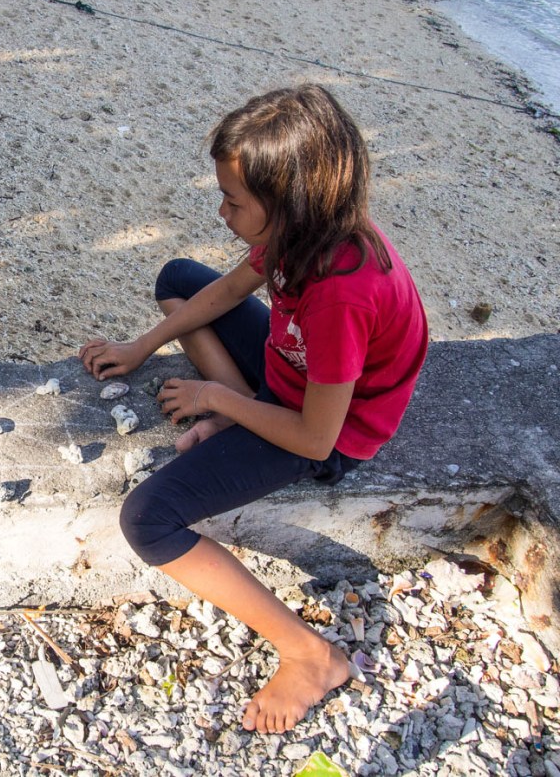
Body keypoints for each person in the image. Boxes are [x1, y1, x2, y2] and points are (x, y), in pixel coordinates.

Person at [79, 84, 428, 733]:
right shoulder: (306, 229)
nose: (221, 213)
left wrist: (221, 401)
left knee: (149, 520)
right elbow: (227, 290)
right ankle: (238, 412)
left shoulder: (341, 295)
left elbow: (318, 440)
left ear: (288, 206)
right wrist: (139, 346)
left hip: (326, 433)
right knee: (179, 282)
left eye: (234, 202)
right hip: (290, 382)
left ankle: (310, 655)